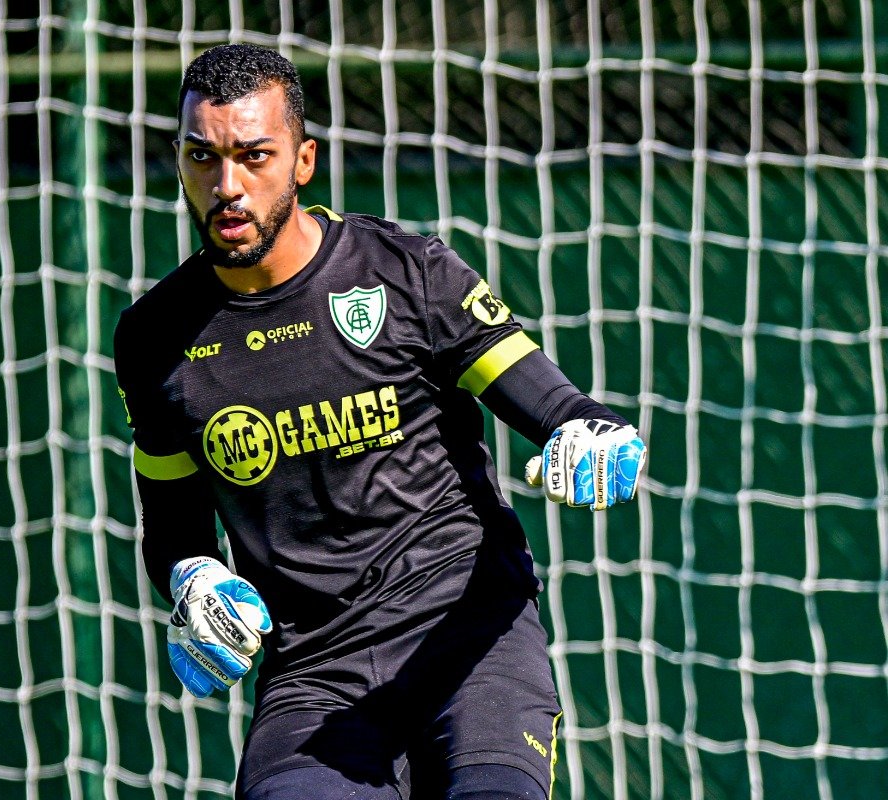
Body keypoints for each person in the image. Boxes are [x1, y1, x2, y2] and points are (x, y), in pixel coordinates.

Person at [112, 43, 647, 800]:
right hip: (314, 671)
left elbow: (555, 404)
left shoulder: (407, 274)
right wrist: (193, 578)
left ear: (303, 161)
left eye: (253, 156)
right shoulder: (154, 337)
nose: (227, 186)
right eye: (203, 157)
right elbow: (171, 523)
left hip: (468, 636)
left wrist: (595, 432)